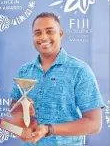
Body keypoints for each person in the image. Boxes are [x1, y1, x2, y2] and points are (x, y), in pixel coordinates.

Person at [10, 12, 105, 146]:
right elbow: (13, 108)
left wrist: (49, 129)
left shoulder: (80, 71)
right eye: (37, 33)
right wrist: (22, 107)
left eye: (49, 31)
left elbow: (94, 124)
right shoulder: (24, 71)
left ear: (60, 34)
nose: (43, 37)